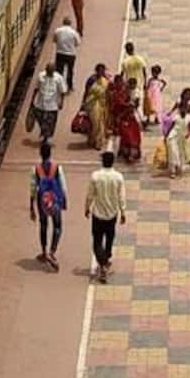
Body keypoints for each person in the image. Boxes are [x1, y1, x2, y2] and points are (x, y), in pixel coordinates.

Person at [87, 149, 125, 284]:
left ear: (102, 162)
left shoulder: (95, 176)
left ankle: (103, 263)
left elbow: (90, 195)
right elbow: (121, 197)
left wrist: (87, 208)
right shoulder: (118, 177)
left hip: (98, 214)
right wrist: (123, 212)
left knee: (97, 242)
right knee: (110, 238)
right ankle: (106, 260)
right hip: (112, 214)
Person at [30, 141, 68, 270]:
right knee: (57, 226)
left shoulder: (36, 168)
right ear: (50, 153)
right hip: (55, 199)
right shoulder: (57, 167)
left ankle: (44, 252)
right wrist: (64, 200)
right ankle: (52, 251)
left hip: (42, 200)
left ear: (40, 154)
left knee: (43, 225)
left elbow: (33, 188)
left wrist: (32, 207)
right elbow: (63, 185)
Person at [29, 65, 67, 143]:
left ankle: (46, 137)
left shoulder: (59, 78)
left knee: (50, 123)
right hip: (41, 104)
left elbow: (63, 91)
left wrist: (61, 102)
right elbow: (36, 88)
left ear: (54, 71)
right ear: (46, 70)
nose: (49, 73)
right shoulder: (41, 76)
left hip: (52, 105)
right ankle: (44, 131)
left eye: (51, 72)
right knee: (40, 120)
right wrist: (32, 100)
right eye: (48, 71)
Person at [112, 73, 143, 164]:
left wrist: (130, 107)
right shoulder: (121, 92)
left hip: (130, 118)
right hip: (123, 117)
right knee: (126, 135)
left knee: (133, 136)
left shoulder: (132, 93)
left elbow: (134, 105)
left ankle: (131, 154)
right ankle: (125, 151)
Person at [164, 87, 190, 176]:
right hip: (174, 135)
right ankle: (173, 169)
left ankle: (180, 165)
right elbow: (171, 126)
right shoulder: (176, 117)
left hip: (182, 136)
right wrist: (166, 135)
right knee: (173, 150)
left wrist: (188, 134)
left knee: (182, 151)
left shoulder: (188, 117)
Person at [80, 65, 111, 150]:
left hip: (102, 103)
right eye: (100, 71)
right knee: (95, 122)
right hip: (92, 103)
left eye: (103, 71)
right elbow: (86, 91)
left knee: (101, 123)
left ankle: (98, 142)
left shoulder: (105, 80)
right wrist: (83, 104)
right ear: (96, 71)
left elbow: (107, 92)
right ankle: (92, 139)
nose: (101, 72)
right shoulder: (91, 80)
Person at [52, 19, 81, 89]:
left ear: (63, 23)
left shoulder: (57, 31)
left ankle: (59, 86)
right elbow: (78, 43)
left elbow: (54, 40)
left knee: (59, 70)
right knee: (70, 70)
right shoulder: (74, 32)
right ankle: (70, 85)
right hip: (71, 54)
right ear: (70, 24)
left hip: (60, 53)